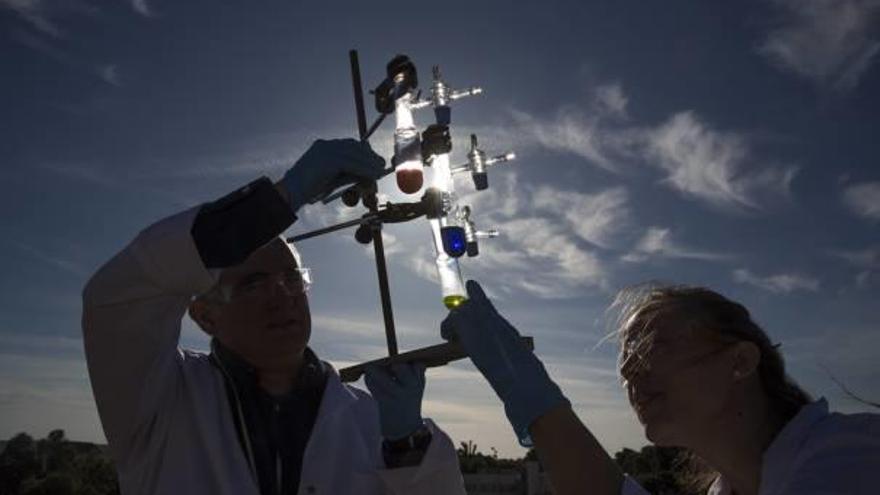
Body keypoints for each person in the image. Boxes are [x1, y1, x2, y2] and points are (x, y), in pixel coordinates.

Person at [82, 138, 466, 495]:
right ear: (204, 316)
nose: (281, 295)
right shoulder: (159, 404)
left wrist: (406, 449)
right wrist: (281, 199)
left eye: (291, 278)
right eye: (252, 283)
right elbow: (118, 295)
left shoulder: (372, 420)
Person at [441, 280, 880, 495]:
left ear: (741, 361)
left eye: (652, 348)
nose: (631, 373)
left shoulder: (850, 459)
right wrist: (522, 386)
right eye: (626, 362)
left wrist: (529, 388)